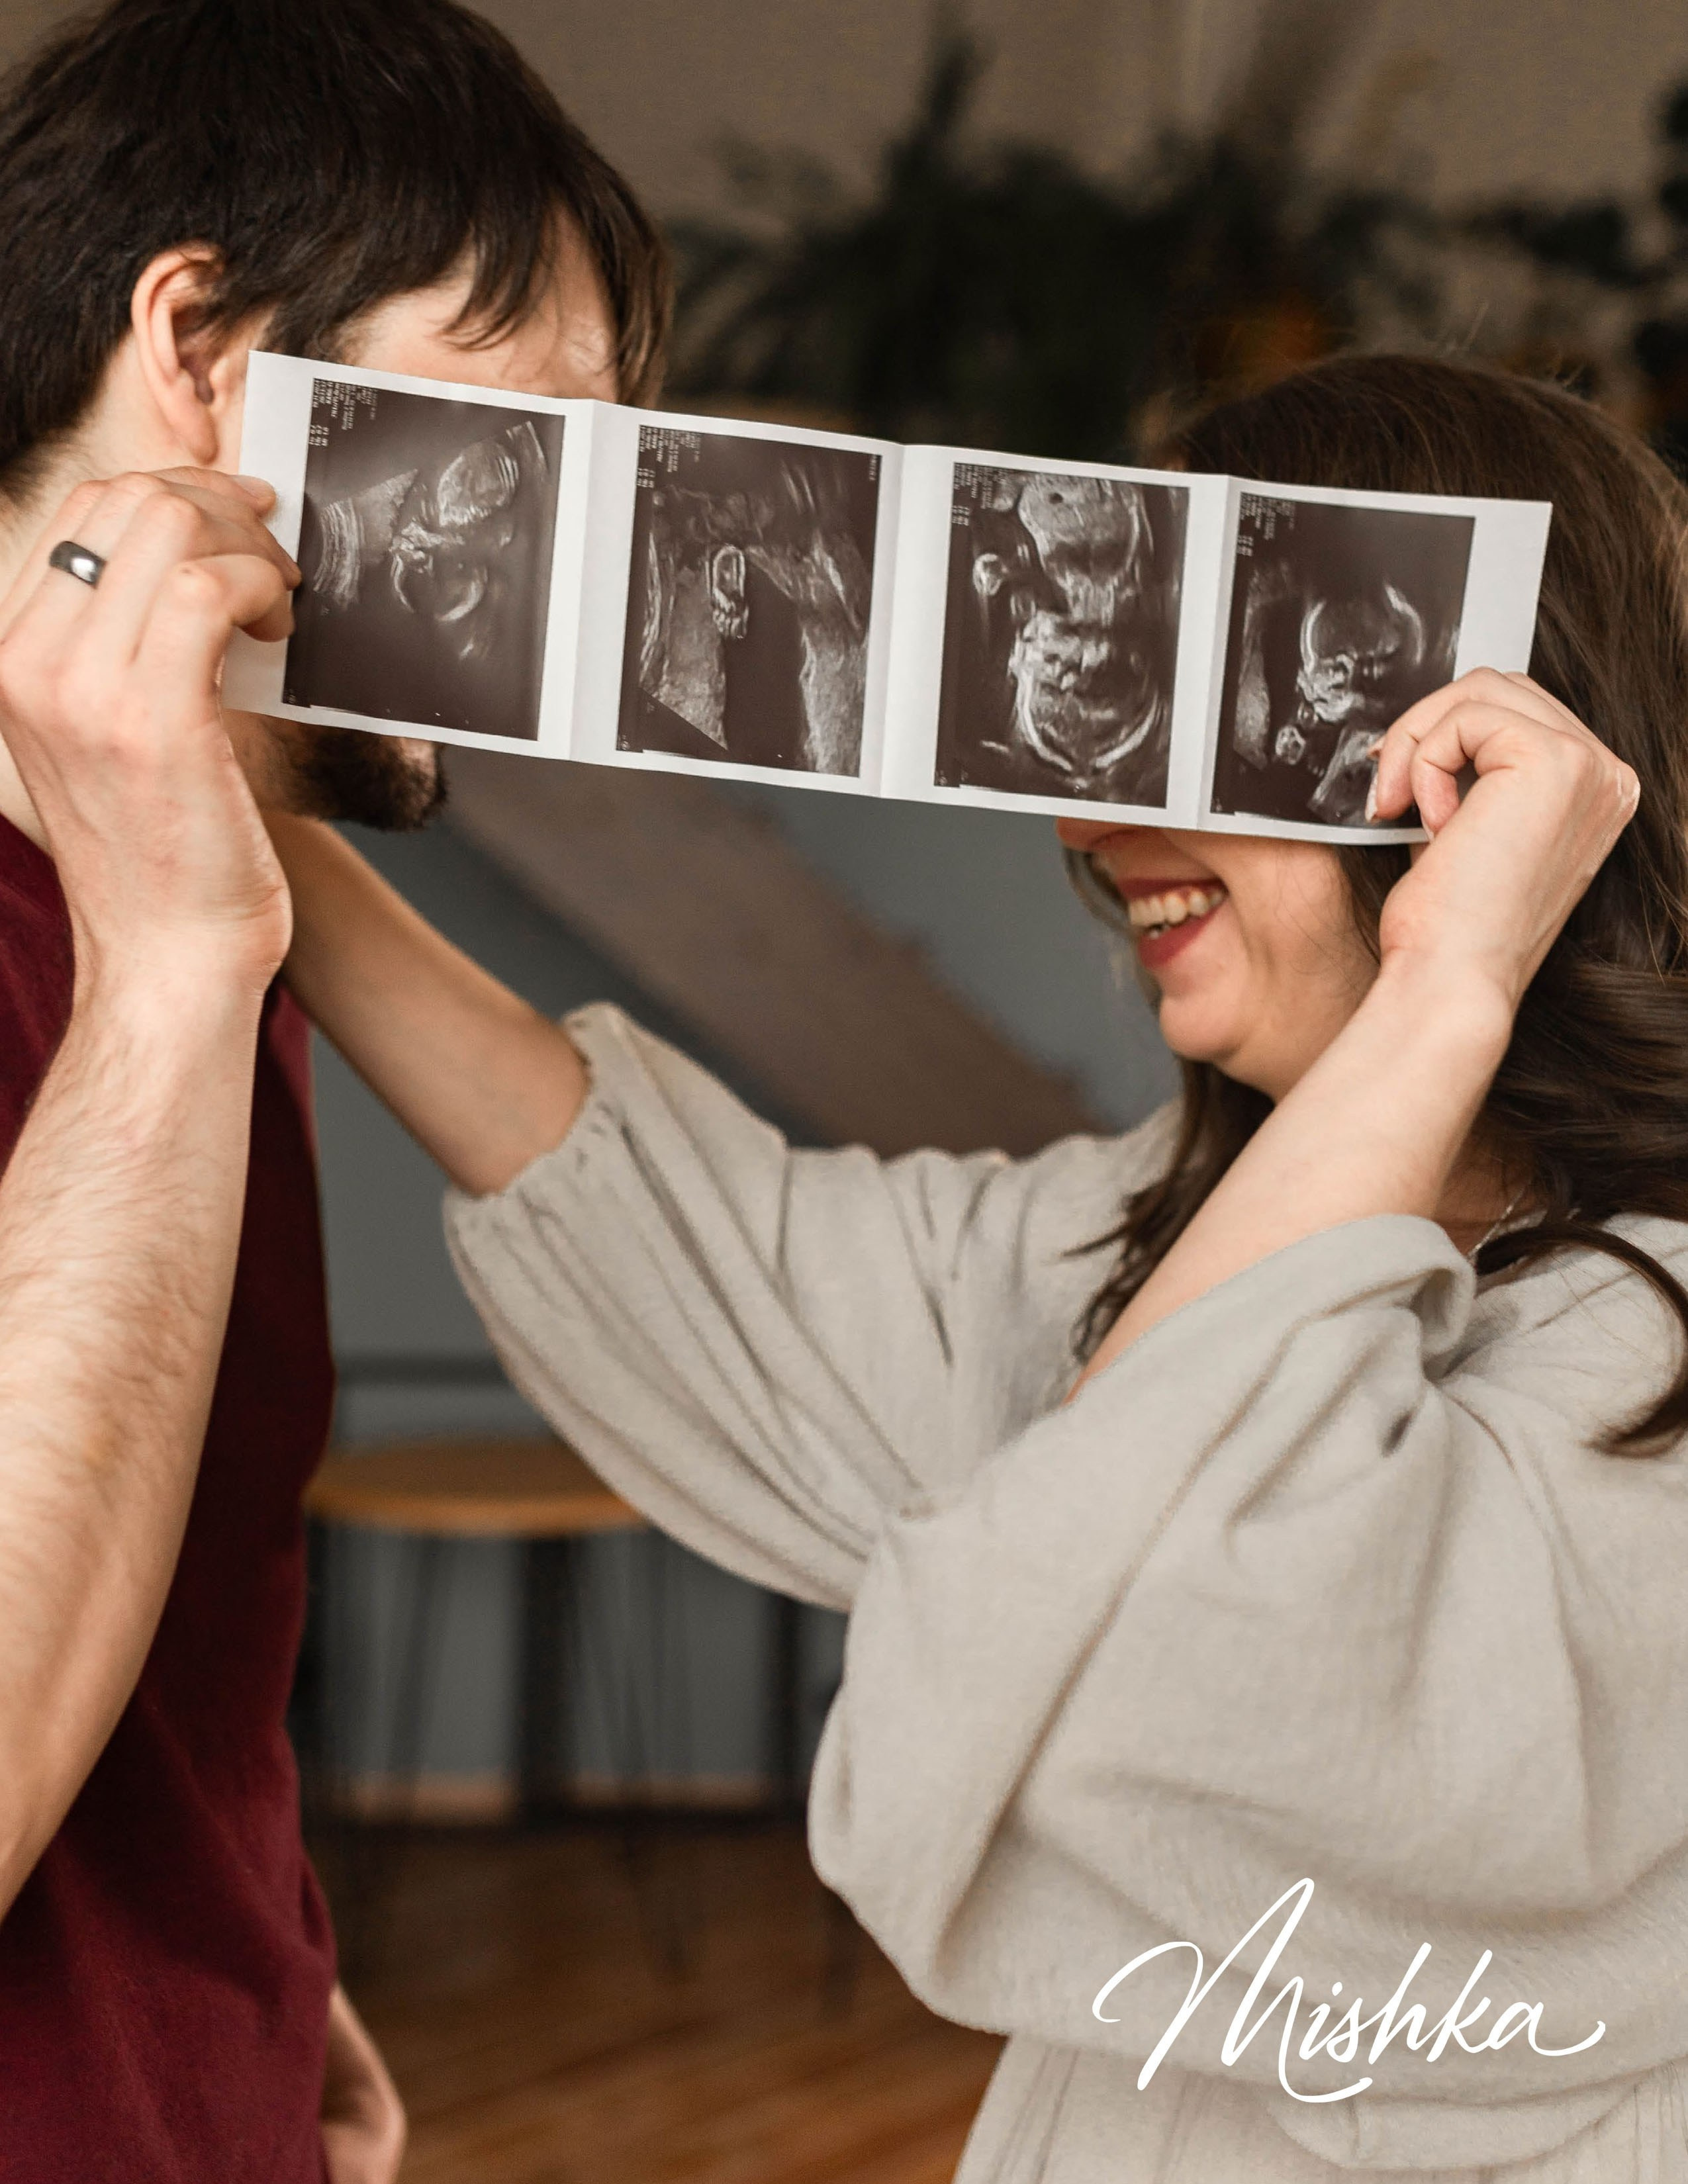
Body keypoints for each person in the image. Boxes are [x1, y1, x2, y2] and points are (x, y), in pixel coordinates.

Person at [271, 351, 1688, 2183]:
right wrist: (251, 822)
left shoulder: (1643, 1356)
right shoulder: (1145, 1239)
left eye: (1219, 730)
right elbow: (721, 1264)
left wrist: (1453, 984)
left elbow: (1149, 1614)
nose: (1086, 828)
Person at [0, 0, 665, 2175]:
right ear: (204, 347)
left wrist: (243, 1962)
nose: (593, 553)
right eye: (536, 438)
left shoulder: (187, 898)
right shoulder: (170, 944)